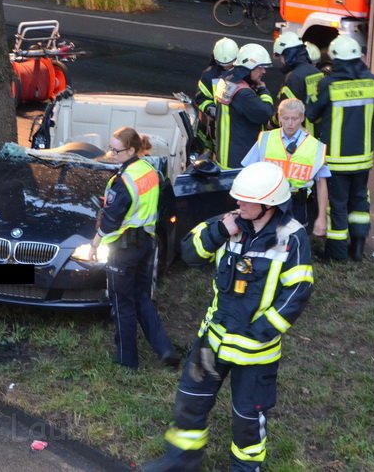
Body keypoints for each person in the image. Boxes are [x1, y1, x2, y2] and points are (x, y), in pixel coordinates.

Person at [142, 162, 314, 472]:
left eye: (247, 200)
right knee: (190, 401)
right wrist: (221, 231)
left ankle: (245, 468)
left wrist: (262, 331)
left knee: (248, 418)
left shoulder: (292, 237)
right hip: (212, 342)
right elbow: (190, 253)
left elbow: (297, 291)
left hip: (255, 354)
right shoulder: (228, 223)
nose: (238, 204)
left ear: (269, 204)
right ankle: (180, 461)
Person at [88, 127, 178, 371]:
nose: (111, 153)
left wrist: (96, 242)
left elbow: (111, 220)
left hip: (124, 249)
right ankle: (164, 348)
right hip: (145, 244)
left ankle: (127, 361)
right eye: (110, 147)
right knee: (141, 297)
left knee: (122, 303)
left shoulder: (123, 181)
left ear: (130, 150)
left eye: (116, 150)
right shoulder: (149, 170)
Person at [306, 35, 374, 262]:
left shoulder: (328, 84)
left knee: (337, 205)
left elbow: (311, 114)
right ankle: (357, 250)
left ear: (336, 60)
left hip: (336, 160)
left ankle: (336, 254)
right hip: (363, 159)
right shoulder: (373, 82)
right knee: (360, 202)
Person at [241, 98, 329, 237]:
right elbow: (248, 173)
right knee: (267, 241)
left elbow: (321, 184)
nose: (290, 123)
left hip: (298, 203)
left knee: (296, 242)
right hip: (269, 202)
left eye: (294, 118)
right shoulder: (265, 139)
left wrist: (322, 217)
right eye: (286, 118)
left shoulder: (315, 146)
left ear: (302, 118)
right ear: (279, 117)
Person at [213, 43, 275, 170]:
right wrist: (263, 90)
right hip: (240, 162)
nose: (264, 71)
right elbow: (266, 113)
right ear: (249, 66)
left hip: (226, 157)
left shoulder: (226, 81)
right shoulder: (243, 94)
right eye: (261, 67)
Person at [194, 37, 238, 153]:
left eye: (230, 64)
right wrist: (210, 109)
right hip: (217, 125)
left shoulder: (243, 73)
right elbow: (201, 98)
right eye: (223, 65)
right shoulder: (208, 76)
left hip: (237, 123)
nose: (227, 68)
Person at [273, 31, 323, 110]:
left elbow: (286, 109)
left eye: (281, 56)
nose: (282, 61)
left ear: (288, 54)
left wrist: (273, 121)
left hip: (299, 121)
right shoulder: (317, 72)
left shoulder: (293, 77)